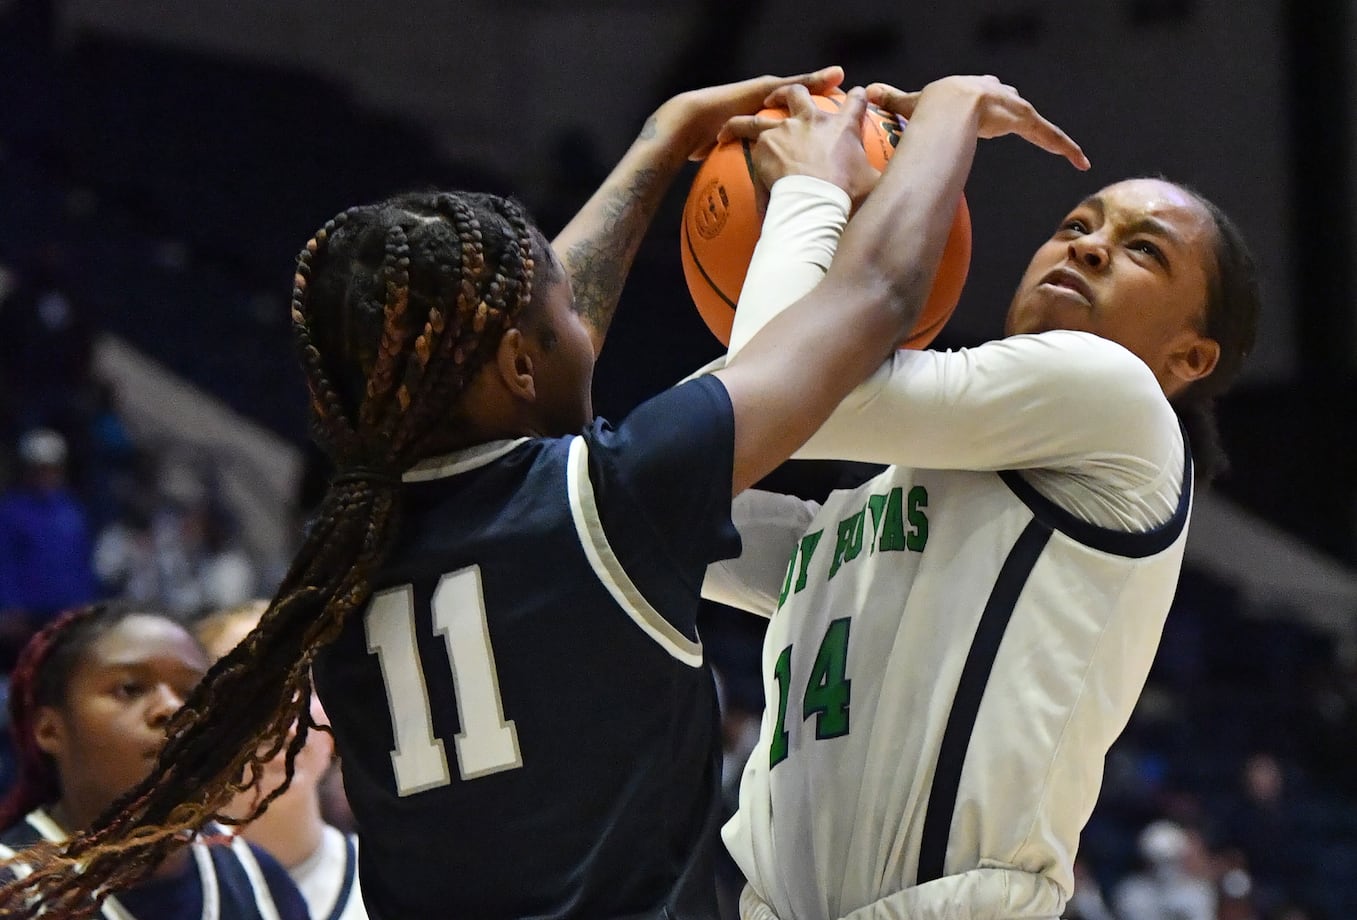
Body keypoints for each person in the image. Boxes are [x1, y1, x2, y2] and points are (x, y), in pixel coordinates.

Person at [0, 69, 1085, 919]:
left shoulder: (344, 560)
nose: (586, 323)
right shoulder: (611, 499)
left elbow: (498, 353)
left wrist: (663, 144)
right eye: (565, 311)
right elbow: (878, 292)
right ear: (519, 361)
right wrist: (943, 115)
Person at [702, 81, 1262, 920]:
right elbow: (695, 490)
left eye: (1143, 250)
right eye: (1075, 226)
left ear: (1189, 357)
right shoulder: (901, 495)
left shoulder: (1117, 398)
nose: (1089, 247)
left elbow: (777, 391)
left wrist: (815, 189)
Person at [0, 603, 310, 919]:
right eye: (130, 689)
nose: (172, 709)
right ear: (49, 729)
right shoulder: (11, 889)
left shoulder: (259, 879)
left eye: (193, 693)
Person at [195, 600, 367, 920]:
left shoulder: (395, 877)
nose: (284, 711)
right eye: (247, 687)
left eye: (306, 683)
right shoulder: (166, 892)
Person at [0, 428, 98, 672]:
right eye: (40, 468)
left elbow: (81, 561)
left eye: (52, 468)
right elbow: (5, 562)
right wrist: (9, 606)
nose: (47, 475)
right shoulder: (12, 511)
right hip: (27, 616)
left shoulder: (72, 511)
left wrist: (86, 605)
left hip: (66, 614)